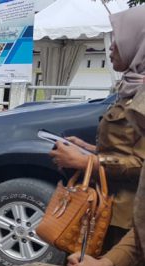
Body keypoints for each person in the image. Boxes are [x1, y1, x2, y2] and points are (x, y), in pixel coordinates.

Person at [48, 5, 145, 251]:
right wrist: (87, 149)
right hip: (107, 210)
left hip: (128, 224)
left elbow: (141, 165)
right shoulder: (130, 87)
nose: (111, 47)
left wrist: (85, 163)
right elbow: (128, 148)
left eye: (119, 39)